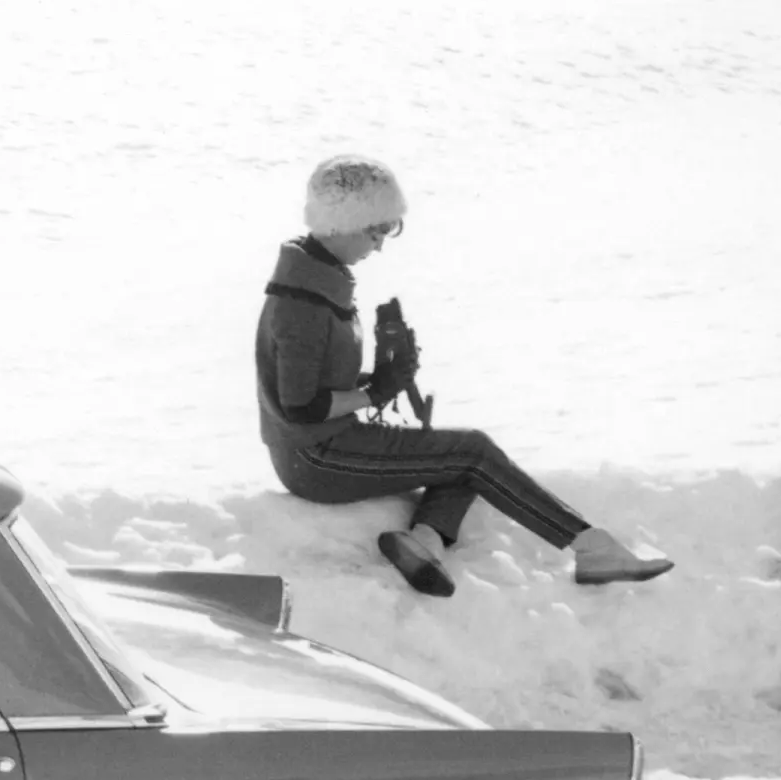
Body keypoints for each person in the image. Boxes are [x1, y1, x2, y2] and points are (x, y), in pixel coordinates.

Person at [256, 157, 672, 596]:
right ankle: (591, 547)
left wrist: (381, 378)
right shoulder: (302, 301)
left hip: (322, 447)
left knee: (456, 458)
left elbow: (310, 381)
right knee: (471, 453)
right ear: (343, 224)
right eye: (375, 230)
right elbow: (301, 407)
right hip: (317, 458)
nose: (379, 245)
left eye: (388, 230)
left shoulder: (318, 281)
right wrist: (376, 391)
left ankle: (422, 544)